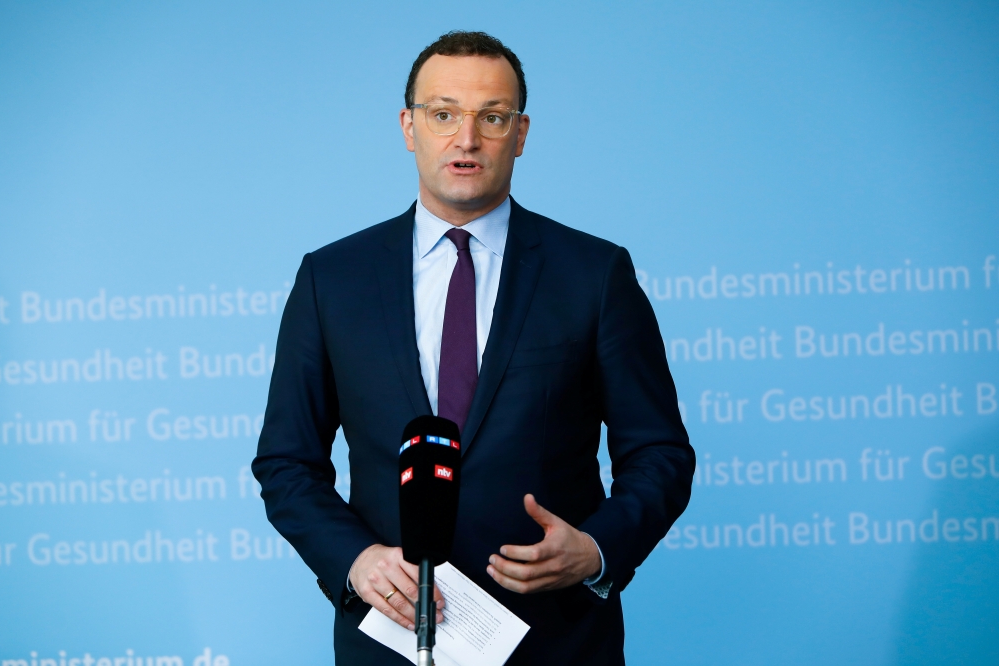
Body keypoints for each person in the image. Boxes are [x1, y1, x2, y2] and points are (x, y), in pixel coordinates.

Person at [252, 30, 694, 666]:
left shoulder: (594, 275)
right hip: (390, 639)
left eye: (492, 117)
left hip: (556, 641)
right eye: (443, 114)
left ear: (521, 133)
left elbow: (659, 452)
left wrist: (595, 549)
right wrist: (356, 560)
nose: (467, 138)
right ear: (409, 127)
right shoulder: (332, 279)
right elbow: (287, 463)